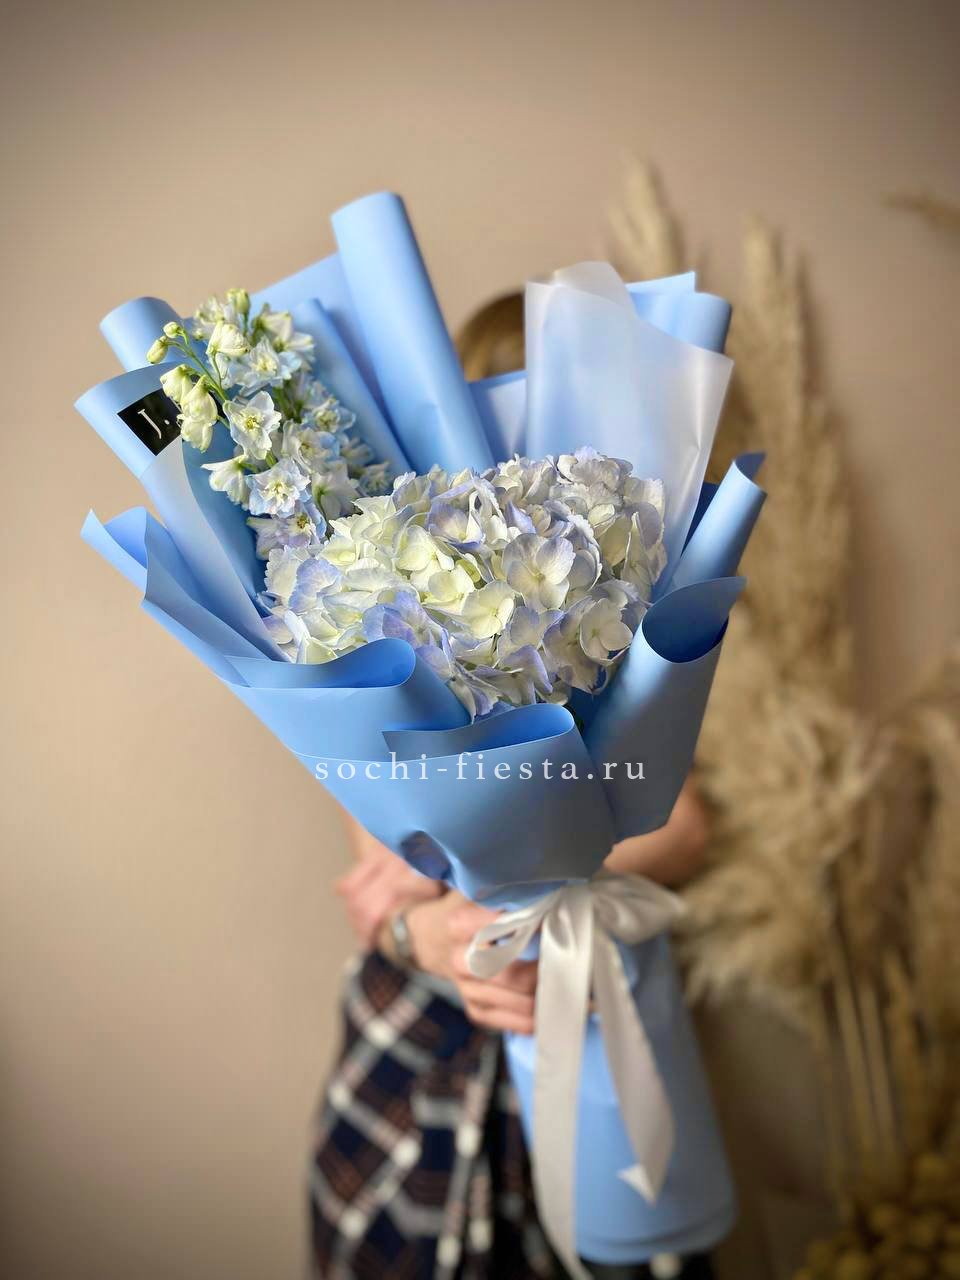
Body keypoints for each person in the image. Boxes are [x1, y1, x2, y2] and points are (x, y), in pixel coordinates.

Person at [309, 782, 716, 1280]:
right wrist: (416, 935)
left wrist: (494, 899)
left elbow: (683, 826)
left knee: (626, 1231)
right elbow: (383, 888)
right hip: (412, 1039)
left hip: (588, 1003)